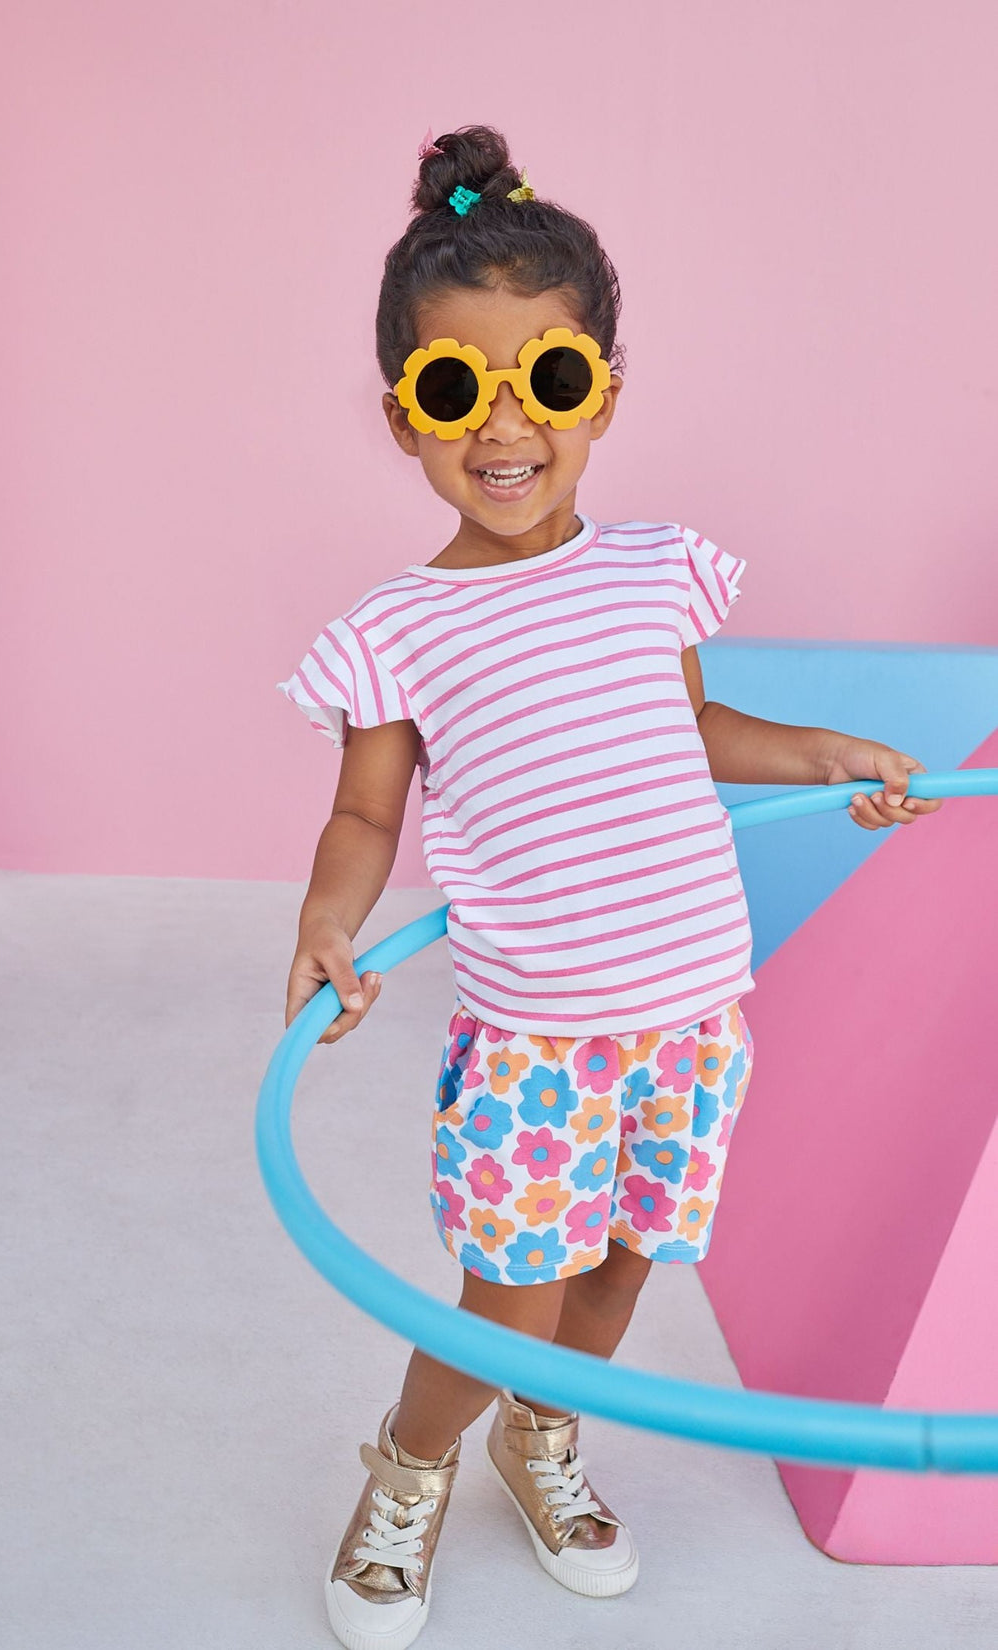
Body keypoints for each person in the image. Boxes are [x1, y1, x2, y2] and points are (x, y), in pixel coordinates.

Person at [276, 123, 943, 1650]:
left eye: (550, 380)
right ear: (404, 417)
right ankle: (415, 1460)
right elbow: (367, 814)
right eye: (457, 390)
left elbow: (690, 726)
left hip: (694, 1019)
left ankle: (544, 1435)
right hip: (538, 1043)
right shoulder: (397, 630)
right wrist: (327, 919)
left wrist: (823, 749)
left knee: (620, 1281)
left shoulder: (654, 570)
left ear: (606, 394)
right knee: (508, 1297)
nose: (505, 425)